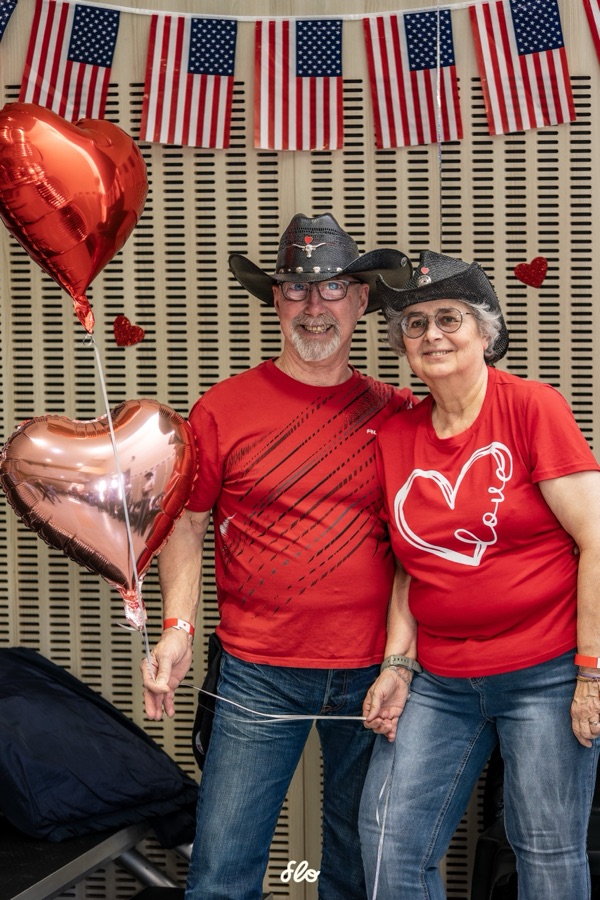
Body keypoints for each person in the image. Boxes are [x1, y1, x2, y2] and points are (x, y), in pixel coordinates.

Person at [141, 212, 414, 900]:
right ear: (275, 300)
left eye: (333, 289)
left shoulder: (401, 412)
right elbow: (187, 525)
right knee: (222, 874)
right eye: (296, 289)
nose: (313, 306)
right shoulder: (222, 408)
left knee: (358, 872)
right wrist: (178, 630)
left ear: (361, 301)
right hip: (257, 673)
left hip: (378, 676)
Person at [358, 250, 600, 900]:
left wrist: (591, 672)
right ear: (402, 345)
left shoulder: (532, 408)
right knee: (388, 845)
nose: (432, 334)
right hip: (442, 681)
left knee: (546, 854)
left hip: (545, 678)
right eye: (414, 324)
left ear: (486, 332)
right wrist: (397, 663)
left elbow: (596, 539)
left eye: (449, 318)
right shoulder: (397, 438)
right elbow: (412, 564)